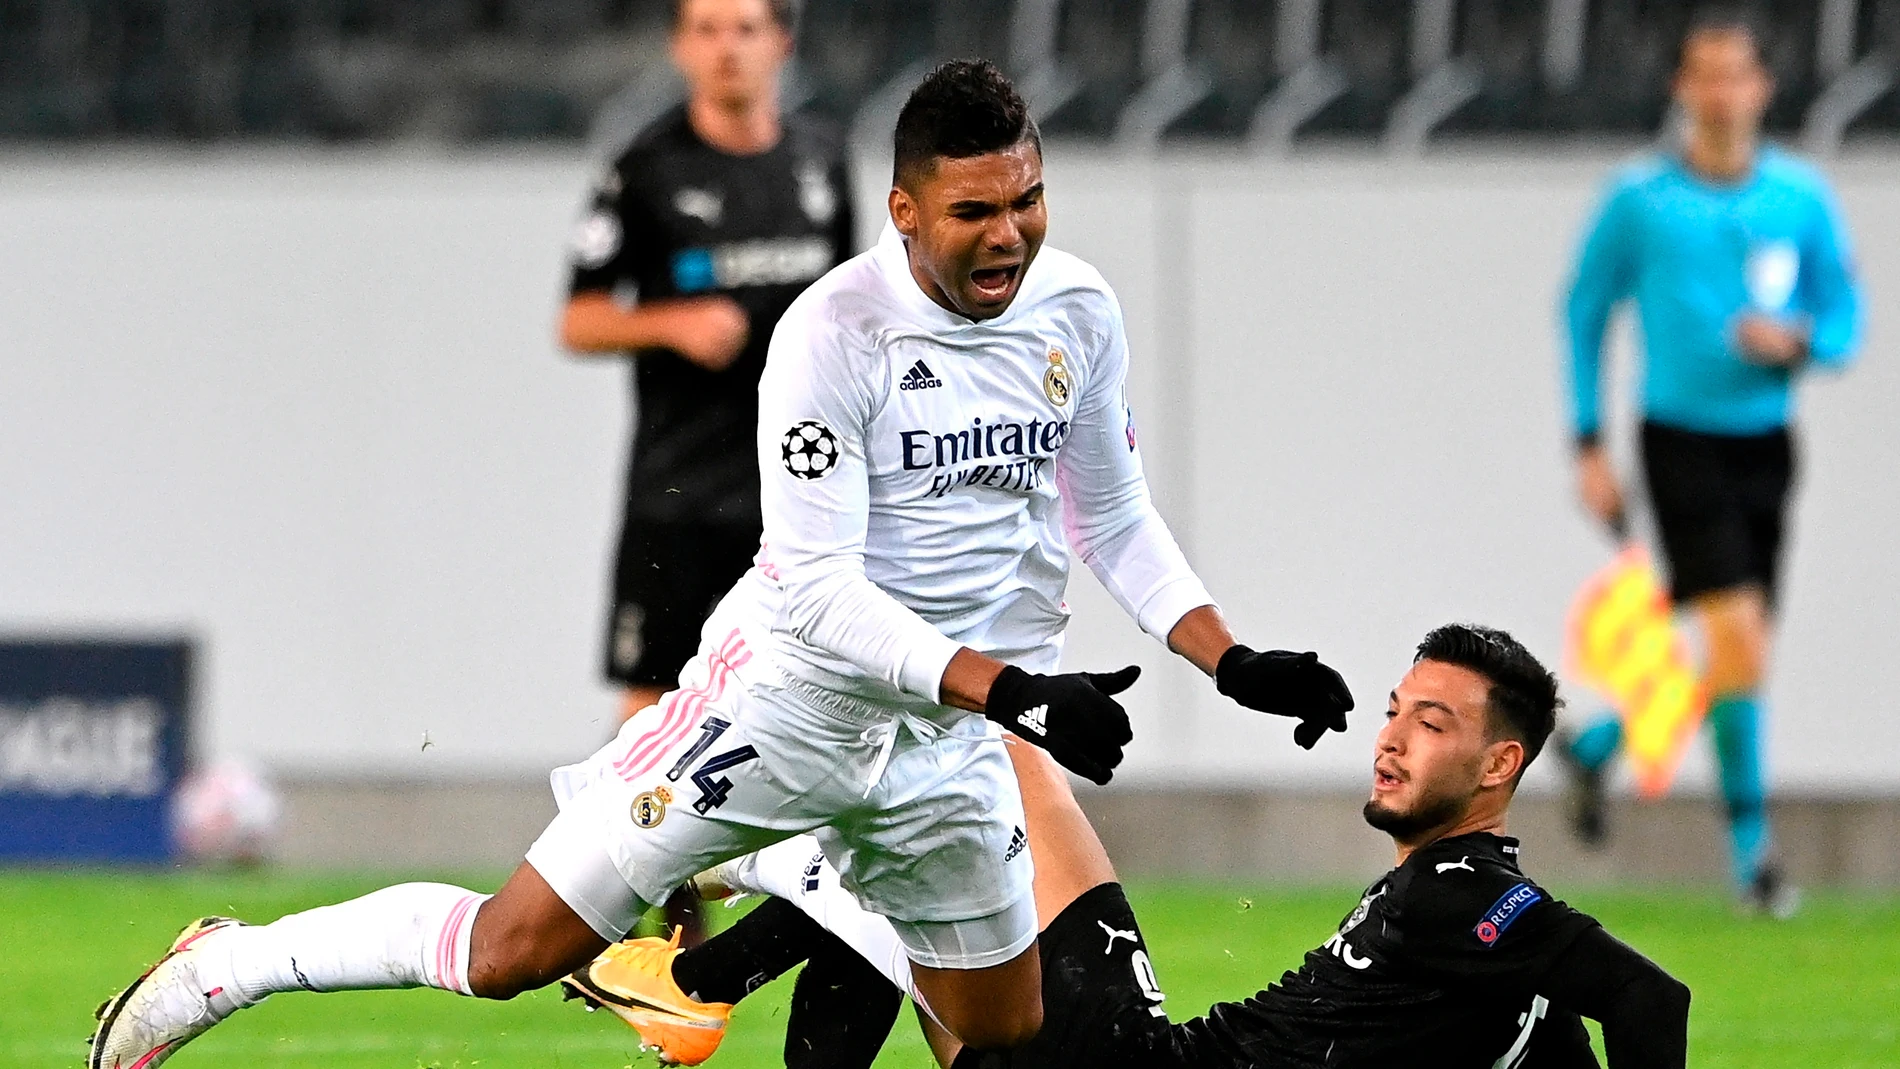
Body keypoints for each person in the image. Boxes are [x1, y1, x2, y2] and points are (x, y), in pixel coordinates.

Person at [86, 60, 1354, 1069]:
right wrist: (1016, 692)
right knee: (512, 947)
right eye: (975, 211)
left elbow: (1113, 514)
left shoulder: (1076, 310)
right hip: (794, 699)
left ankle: (804, 860)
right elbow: (818, 592)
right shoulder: (831, 337)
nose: (1008, 235)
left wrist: (1229, 656)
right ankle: (227, 963)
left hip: (951, 740)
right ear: (904, 209)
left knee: (1009, 1028)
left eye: (1026, 200)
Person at [567, 624, 1691, 1069]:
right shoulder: (1488, 948)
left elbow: (1653, 1003)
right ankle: (698, 975)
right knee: (932, 876)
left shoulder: (1461, 897)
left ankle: (698, 970)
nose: (1390, 737)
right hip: (1127, 1056)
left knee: (982, 764)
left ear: (1500, 768)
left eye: (1431, 724)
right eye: (1395, 708)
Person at [1556, 5, 1862, 915]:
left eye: (1738, 75)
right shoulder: (1641, 200)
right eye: (1705, 75)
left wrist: (1801, 340)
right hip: (1679, 437)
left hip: (1765, 443)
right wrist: (1586, 438)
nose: (1722, 93)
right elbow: (1581, 312)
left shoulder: (1797, 200)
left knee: (1741, 652)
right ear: (1682, 89)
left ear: (1763, 88)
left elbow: (1846, 316)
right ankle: (1754, 858)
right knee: (1736, 639)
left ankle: (1602, 743)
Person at [562, 0, 854, 948]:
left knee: (820, 687)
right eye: (708, 28)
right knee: (653, 701)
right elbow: (581, 318)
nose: (727, 47)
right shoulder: (643, 169)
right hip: (676, 493)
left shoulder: (821, 160)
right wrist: (670, 323)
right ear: (681, 47)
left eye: (746, 27)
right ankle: (648, 932)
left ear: (783, 43)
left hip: (796, 494)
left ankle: (807, 903)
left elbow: (853, 308)